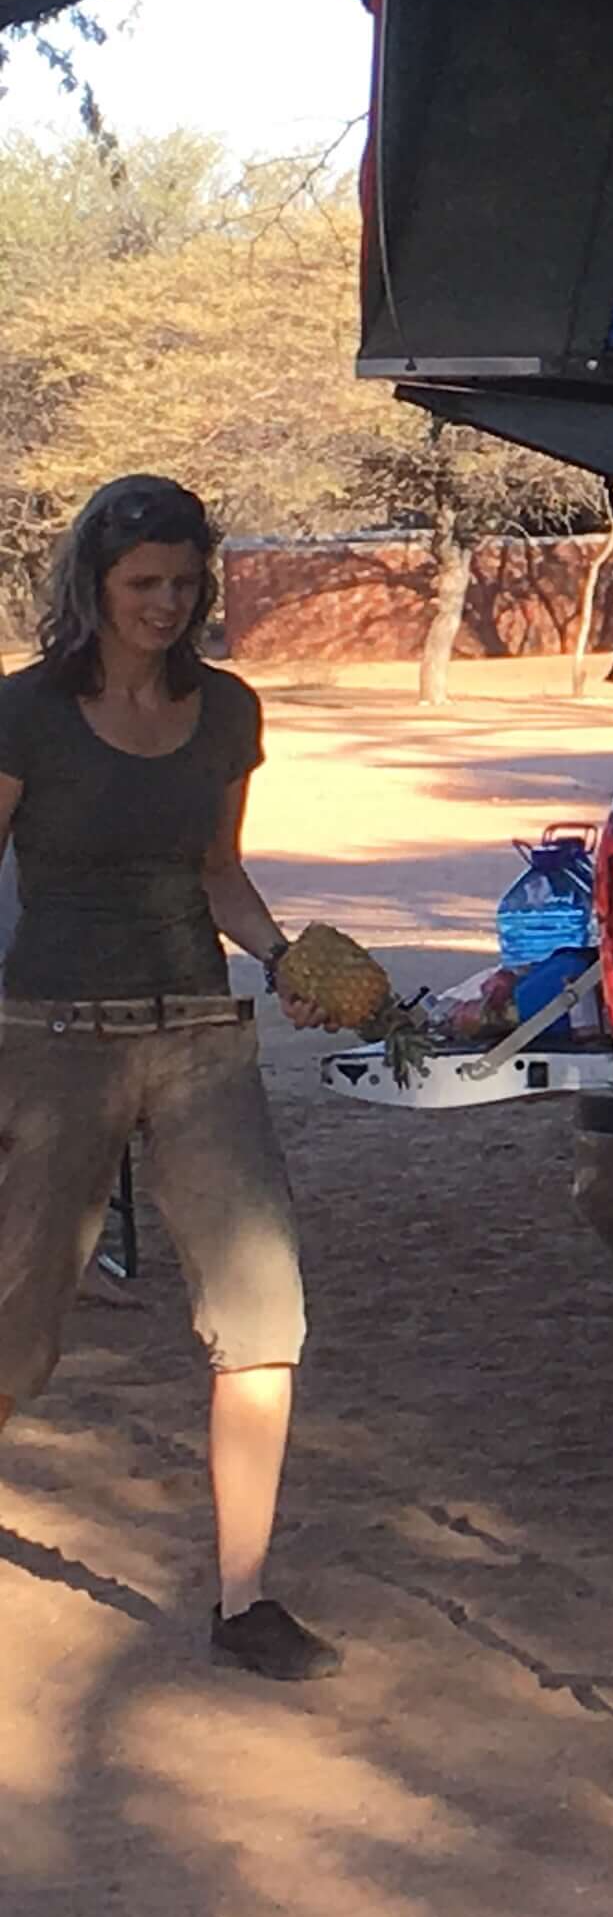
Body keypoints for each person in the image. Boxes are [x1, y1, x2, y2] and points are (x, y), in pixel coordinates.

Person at [0, 475, 341, 1679]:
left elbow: (218, 872)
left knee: (265, 1315)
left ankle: (244, 1601)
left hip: (199, 1031)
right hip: (50, 1038)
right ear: (94, 583)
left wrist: (288, 956)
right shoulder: (26, 715)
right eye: (145, 584)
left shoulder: (228, 712)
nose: (167, 604)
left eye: (187, 584)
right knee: (18, 1328)